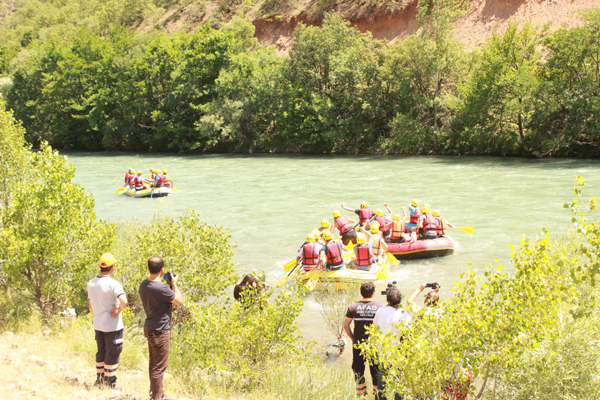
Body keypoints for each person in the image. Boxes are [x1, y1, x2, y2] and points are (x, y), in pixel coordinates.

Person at [139, 256, 183, 400]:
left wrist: (168, 285)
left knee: (153, 364)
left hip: (150, 327)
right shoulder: (162, 288)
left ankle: (155, 393)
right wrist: (174, 284)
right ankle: (157, 397)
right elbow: (179, 300)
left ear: (148, 268)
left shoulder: (143, 285)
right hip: (160, 330)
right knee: (160, 367)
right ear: (162, 270)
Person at [87, 253, 128, 389]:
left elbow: (91, 307)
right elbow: (124, 301)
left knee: (101, 351)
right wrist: (118, 309)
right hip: (112, 325)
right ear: (112, 267)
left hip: (98, 323)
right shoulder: (113, 284)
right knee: (113, 351)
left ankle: (100, 379)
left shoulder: (91, 283)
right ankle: (110, 380)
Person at [344, 282, 383, 397]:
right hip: (373, 344)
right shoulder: (379, 307)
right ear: (373, 294)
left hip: (358, 344)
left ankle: (362, 395)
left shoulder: (353, 307)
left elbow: (346, 326)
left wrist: (353, 338)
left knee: (358, 370)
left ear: (361, 293)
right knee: (375, 371)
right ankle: (377, 395)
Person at [373, 287, 412, 400]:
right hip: (399, 353)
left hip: (384, 351)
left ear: (388, 301)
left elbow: (375, 326)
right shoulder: (404, 314)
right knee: (399, 382)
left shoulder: (381, 311)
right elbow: (408, 334)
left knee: (382, 380)